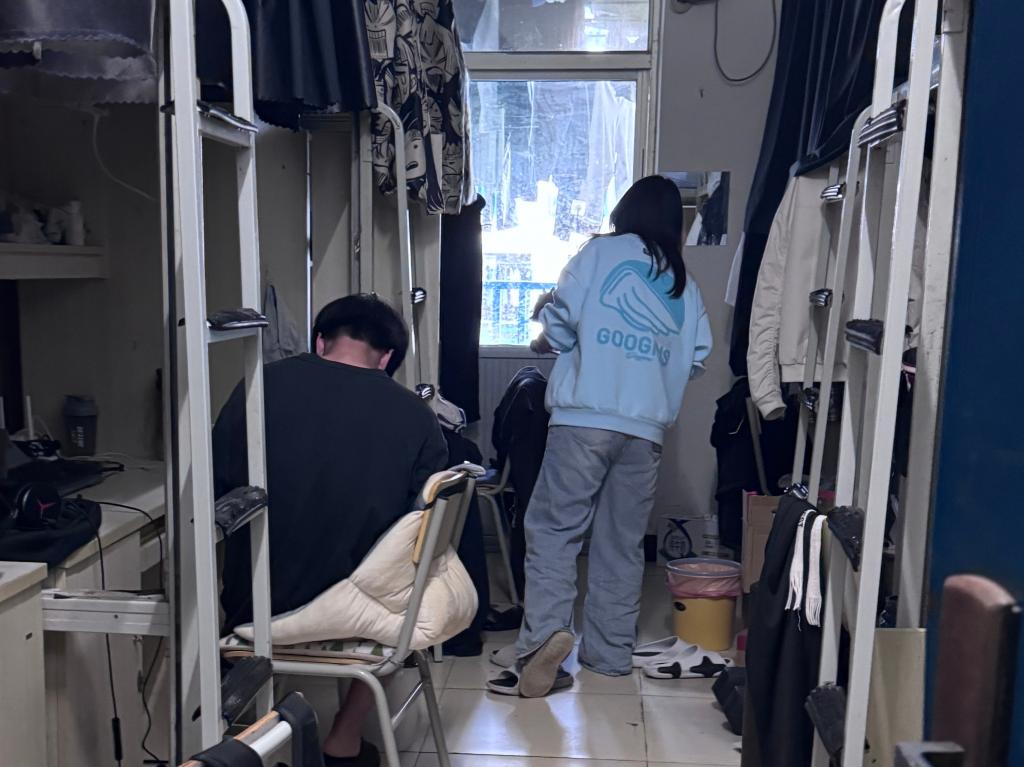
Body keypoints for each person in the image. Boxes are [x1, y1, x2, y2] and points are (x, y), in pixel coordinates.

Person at [488, 175, 713, 698]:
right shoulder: (683, 281)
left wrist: (560, 333)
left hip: (584, 419)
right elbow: (698, 357)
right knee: (621, 544)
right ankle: (609, 655)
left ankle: (543, 642)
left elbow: (559, 324)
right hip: (645, 431)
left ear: (624, 212)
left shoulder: (598, 253)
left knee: (554, 532)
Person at [213, 293, 448, 766]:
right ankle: (343, 739)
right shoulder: (414, 415)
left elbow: (219, 482)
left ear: (320, 341)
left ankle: (232, 731)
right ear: (387, 358)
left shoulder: (259, 385)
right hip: (358, 611)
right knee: (413, 581)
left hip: (254, 604)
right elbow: (420, 526)